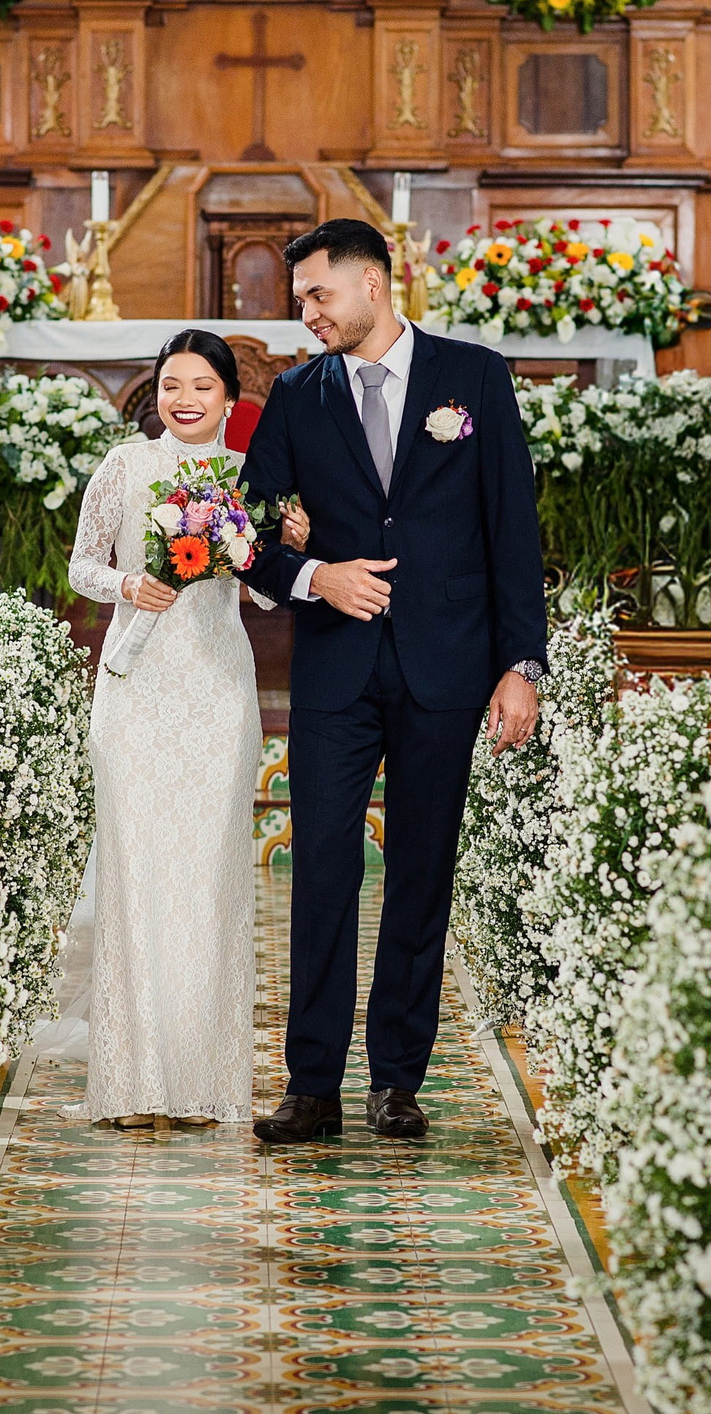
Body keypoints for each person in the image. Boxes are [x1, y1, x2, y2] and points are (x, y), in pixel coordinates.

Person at [238, 219, 548, 1143]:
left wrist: (519, 664)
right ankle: (313, 1085)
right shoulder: (296, 397)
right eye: (301, 302)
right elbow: (245, 532)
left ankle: (397, 1081)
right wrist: (313, 576)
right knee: (321, 871)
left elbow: (512, 532)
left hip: (446, 663)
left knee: (421, 871)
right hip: (335, 668)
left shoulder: (475, 379)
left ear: (374, 284)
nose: (307, 315)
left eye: (318, 296)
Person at [64, 330, 308, 1128]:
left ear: (230, 399)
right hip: (134, 691)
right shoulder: (124, 466)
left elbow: (272, 598)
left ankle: (202, 1079)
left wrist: (288, 550)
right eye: (172, 383)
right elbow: (82, 567)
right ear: (155, 392)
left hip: (215, 690)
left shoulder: (250, 480)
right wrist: (131, 580)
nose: (185, 398)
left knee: (208, 876)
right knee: (136, 872)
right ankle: (134, 1082)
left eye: (202, 385)